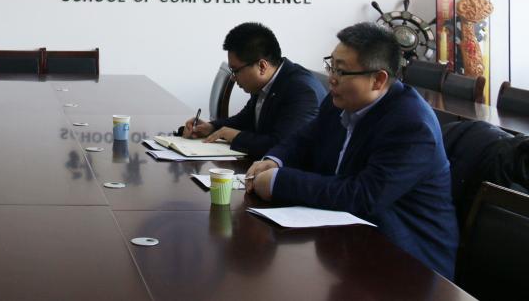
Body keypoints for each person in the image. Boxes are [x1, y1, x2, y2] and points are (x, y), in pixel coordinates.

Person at [245, 22, 458, 279]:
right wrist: (275, 160)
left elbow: (363, 195)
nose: (332, 78)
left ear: (378, 79)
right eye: (331, 66)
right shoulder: (340, 100)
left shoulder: (411, 125)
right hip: (349, 243)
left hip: (408, 264)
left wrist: (279, 182)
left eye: (342, 71)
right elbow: (305, 138)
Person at [180, 22, 325, 157]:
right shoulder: (266, 81)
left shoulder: (301, 91)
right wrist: (211, 127)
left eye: (236, 71)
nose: (233, 78)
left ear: (262, 66)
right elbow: (246, 119)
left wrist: (236, 136)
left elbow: (283, 146)